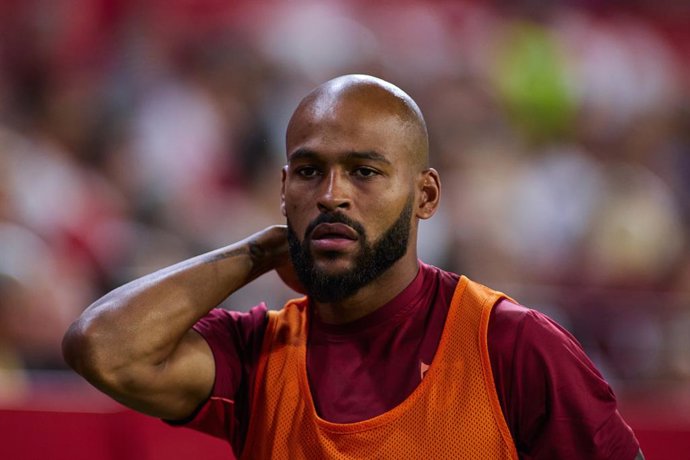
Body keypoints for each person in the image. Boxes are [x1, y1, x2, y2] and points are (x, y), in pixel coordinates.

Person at [63, 74, 643, 459]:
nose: (333, 195)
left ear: (426, 196)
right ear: (284, 188)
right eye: (309, 171)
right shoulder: (258, 352)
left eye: (365, 172)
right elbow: (102, 347)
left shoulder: (513, 346)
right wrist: (261, 252)